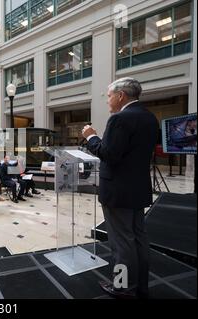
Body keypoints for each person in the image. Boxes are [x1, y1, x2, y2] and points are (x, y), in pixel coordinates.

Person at [82, 77, 158, 299]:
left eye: (108, 96)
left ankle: (123, 287)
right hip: (138, 188)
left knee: (122, 243)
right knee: (138, 238)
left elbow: (109, 154)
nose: (108, 101)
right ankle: (140, 285)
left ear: (121, 95)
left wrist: (91, 137)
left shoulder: (120, 119)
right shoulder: (150, 118)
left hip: (118, 191)